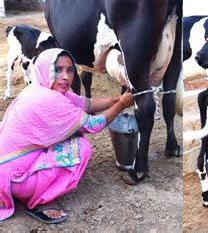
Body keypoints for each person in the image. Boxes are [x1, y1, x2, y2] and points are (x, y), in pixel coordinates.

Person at [0, 48, 134, 224]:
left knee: (69, 136)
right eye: (57, 69)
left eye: (70, 70)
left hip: (7, 168)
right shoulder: (50, 99)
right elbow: (94, 125)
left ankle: (30, 187)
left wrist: (119, 98)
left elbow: (88, 104)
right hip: (14, 178)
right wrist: (122, 105)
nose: (65, 77)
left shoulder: (38, 87)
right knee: (81, 147)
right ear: (44, 68)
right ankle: (40, 199)